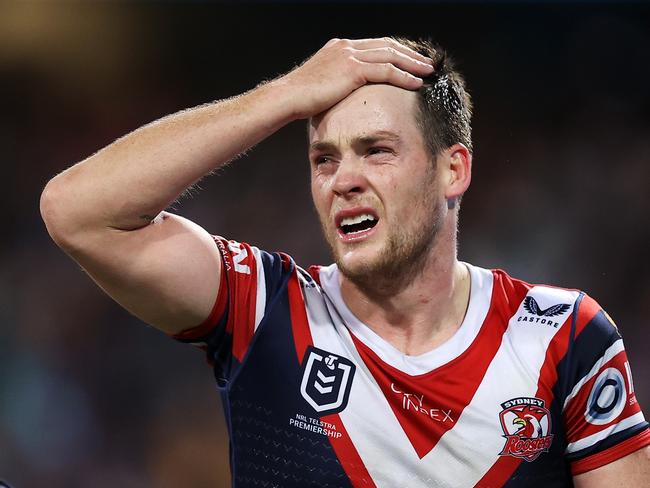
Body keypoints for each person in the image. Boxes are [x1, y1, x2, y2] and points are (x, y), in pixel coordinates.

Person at [40, 37, 649, 487]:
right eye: (323, 159)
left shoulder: (563, 336)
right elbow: (77, 211)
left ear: (453, 169)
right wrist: (282, 95)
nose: (344, 180)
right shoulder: (266, 309)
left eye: (377, 151)